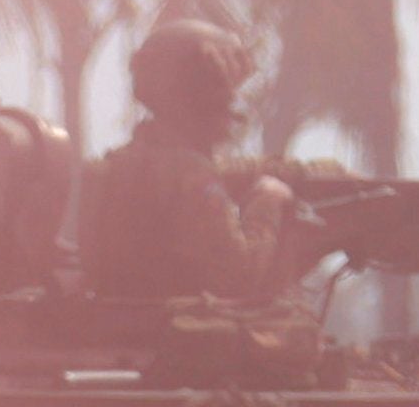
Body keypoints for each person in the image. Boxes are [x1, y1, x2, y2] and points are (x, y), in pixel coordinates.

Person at [76, 20, 327, 302]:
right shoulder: (192, 176)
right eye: (224, 96)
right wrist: (268, 199)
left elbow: (221, 169)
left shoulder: (120, 163)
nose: (230, 107)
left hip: (117, 316)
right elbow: (239, 278)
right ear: (203, 98)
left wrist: (294, 173)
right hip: (173, 323)